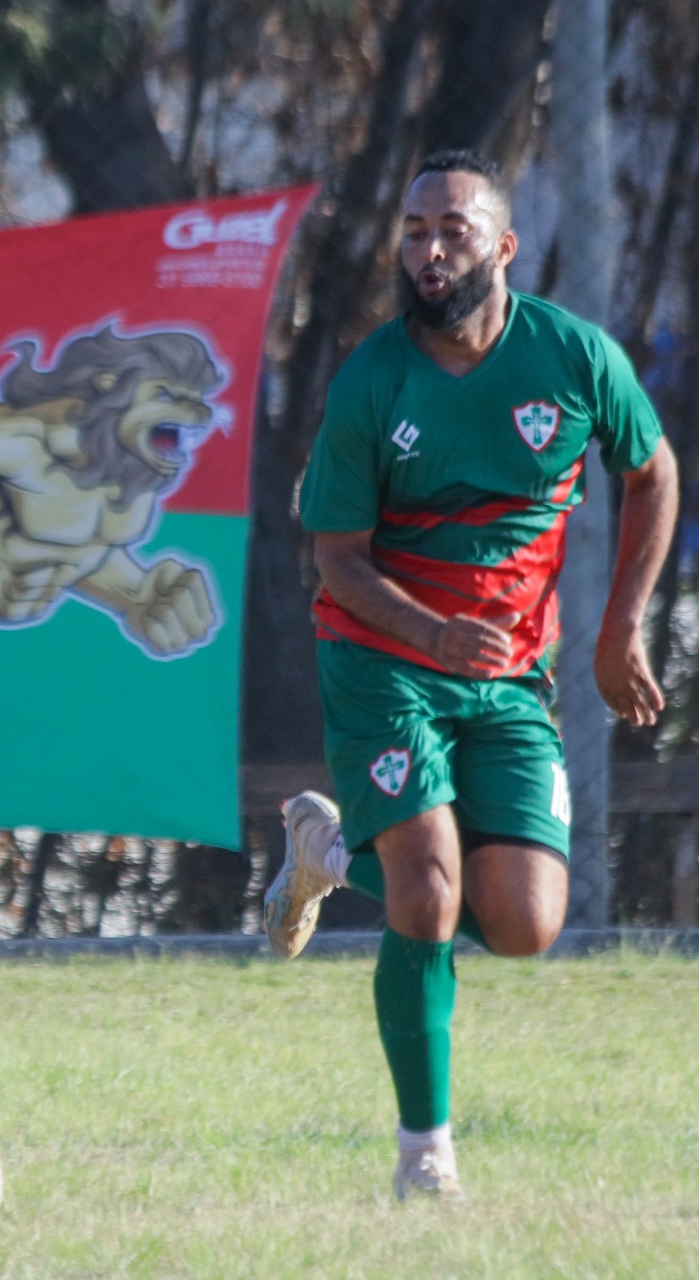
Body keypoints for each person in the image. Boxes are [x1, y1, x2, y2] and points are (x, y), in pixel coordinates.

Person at [261, 149, 677, 1199]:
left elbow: (652, 468)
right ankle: (423, 1155)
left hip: (506, 679)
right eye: (411, 230)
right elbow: (337, 561)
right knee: (429, 882)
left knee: (527, 920)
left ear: (502, 246)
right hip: (381, 658)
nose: (427, 248)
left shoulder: (573, 357)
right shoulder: (372, 380)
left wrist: (618, 625)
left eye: (450, 228)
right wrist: (434, 632)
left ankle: (323, 847)